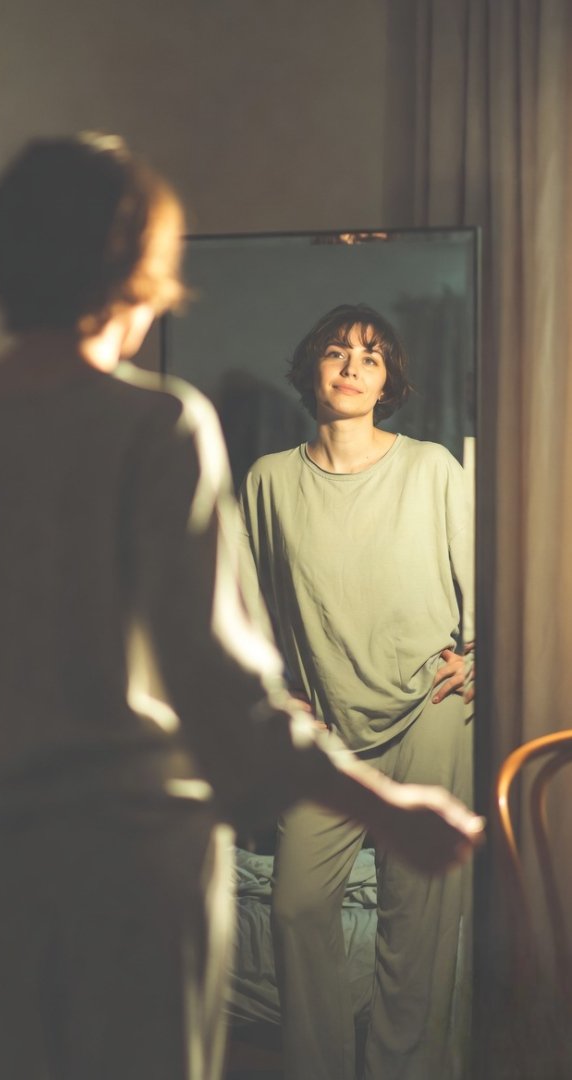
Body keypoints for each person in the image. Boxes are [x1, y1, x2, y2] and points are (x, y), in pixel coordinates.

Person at [0, 142, 482, 1080]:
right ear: (137, 271)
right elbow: (222, 683)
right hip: (139, 854)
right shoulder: (160, 425)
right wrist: (387, 809)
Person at [238, 303, 476, 1080]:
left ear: (388, 382)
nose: (351, 367)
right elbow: (246, 608)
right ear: (314, 370)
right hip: (326, 733)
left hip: (429, 715)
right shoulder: (270, 480)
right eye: (337, 353)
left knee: (420, 921)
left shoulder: (434, 468)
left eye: (371, 358)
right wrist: (272, 689)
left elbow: (488, 591)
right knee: (298, 907)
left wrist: (483, 656)